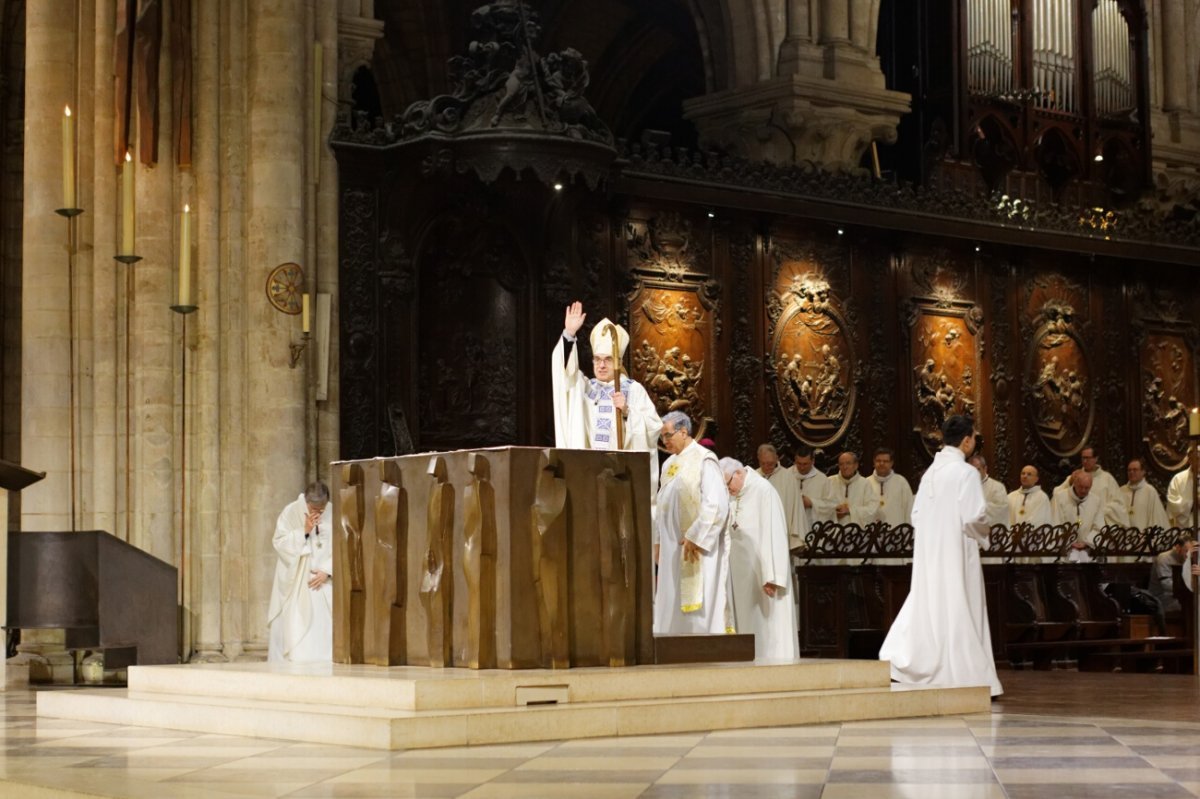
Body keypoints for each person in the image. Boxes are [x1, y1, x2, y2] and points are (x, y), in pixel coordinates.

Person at [879, 415, 1003, 697]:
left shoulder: (930, 474)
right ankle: (968, 674)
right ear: (967, 440)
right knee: (961, 603)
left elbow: (915, 516)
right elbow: (974, 516)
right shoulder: (966, 473)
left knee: (933, 604)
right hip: (958, 552)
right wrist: (985, 534)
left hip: (931, 555)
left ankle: (924, 665)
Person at [551, 300, 663, 503]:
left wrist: (628, 411)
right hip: (590, 474)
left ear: (618, 361)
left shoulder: (632, 389)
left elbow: (655, 428)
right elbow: (564, 375)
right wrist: (569, 335)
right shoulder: (585, 388)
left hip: (622, 475)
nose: (601, 365)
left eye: (608, 359)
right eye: (597, 359)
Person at [654, 411, 730, 635]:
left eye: (668, 435)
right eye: (662, 437)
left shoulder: (704, 458)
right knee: (671, 596)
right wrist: (658, 541)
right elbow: (662, 505)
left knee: (697, 599)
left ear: (684, 431)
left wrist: (696, 536)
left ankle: (701, 644)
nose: (665, 441)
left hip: (695, 547)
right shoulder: (668, 464)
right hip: (671, 548)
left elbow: (716, 504)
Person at [720, 458, 799, 661]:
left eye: (728, 483)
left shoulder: (764, 490)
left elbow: (774, 534)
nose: (727, 489)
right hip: (739, 573)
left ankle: (770, 662)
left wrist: (772, 575)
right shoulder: (733, 492)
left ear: (738, 473)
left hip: (762, 575)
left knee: (765, 624)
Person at [267, 481, 334, 663]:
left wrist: (327, 571)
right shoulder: (290, 512)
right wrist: (304, 531)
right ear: (306, 501)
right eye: (314, 508)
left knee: (325, 631)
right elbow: (279, 542)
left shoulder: (333, 512)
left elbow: (343, 546)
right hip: (298, 581)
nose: (318, 513)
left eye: (322, 509)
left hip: (325, 583)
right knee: (297, 629)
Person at [1056, 444, 1129, 526]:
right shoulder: (1075, 476)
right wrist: (1070, 482)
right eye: (1083, 458)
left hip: (1100, 526)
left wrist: (1099, 510)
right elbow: (1057, 495)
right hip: (1077, 523)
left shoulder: (1107, 479)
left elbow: (1119, 505)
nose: (1085, 461)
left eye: (1088, 458)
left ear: (1096, 458)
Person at [755, 443, 809, 550]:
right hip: (758, 531)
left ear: (776, 459)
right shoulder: (753, 476)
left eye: (770, 464)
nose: (766, 467)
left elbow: (796, 508)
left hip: (781, 530)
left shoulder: (788, 477)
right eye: (763, 463)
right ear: (758, 460)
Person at [1051, 470, 1104, 562]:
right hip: (1065, 551)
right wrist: (1069, 542)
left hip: (1087, 551)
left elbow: (1099, 527)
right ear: (1074, 483)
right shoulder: (1060, 498)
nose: (1083, 490)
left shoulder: (1096, 500)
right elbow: (1055, 524)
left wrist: (1086, 542)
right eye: (1081, 487)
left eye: (1087, 488)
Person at [865, 447, 913, 526]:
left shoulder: (901, 482)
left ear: (891, 463)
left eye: (885, 461)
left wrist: (908, 532)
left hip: (897, 533)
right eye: (878, 461)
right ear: (874, 462)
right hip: (872, 533)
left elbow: (909, 509)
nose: (881, 464)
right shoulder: (866, 482)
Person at [793, 447, 837, 531]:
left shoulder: (822, 479)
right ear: (795, 461)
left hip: (812, 529)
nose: (802, 467)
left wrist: (812, 503)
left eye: (805, 464)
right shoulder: (787, 476)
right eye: (799, 463)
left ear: (813, 461)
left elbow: (831, 505)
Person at [829, 451, 876, 526]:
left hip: (857, 533)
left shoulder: (865, 483)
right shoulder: (829, 482)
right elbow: (821, 507)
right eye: (841, 464)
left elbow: (872, 510)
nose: (845, 467)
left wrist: (849, 511)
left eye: (848, 463)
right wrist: (833, 513)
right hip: (834, 531)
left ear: (856, 465)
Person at [1149, 536, 1195, 614]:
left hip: (1181, 596)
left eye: (1190, 553)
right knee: (1190, 605)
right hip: (1161, 598)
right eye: (1186, 551)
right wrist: (1189, 589)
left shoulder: (1188, 559)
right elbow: (1166, 585)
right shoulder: (1163, 558)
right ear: (1178, 548)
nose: (1188, 555)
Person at [1120, 457, 1169, 529]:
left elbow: (1156, 518)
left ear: (1143, 472)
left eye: (1135, 470)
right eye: (1129, 470)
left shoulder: (1150, 491)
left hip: (1143, 536)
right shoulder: (1121, 491)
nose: (1131, 472)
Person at [969, 453, 1009, 529]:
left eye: (978, 469)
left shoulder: (997, 487)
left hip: (992, 534)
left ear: (985, 469)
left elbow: (1000, 509)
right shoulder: (965, 487)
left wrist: (976, 506)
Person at [1166, 448, 1198, 528]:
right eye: (1196, 459)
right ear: (1189, 460)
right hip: (1185, 528)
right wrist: (1192, 504)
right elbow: (1173, 503)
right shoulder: (1178, 479)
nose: (1198, 462)